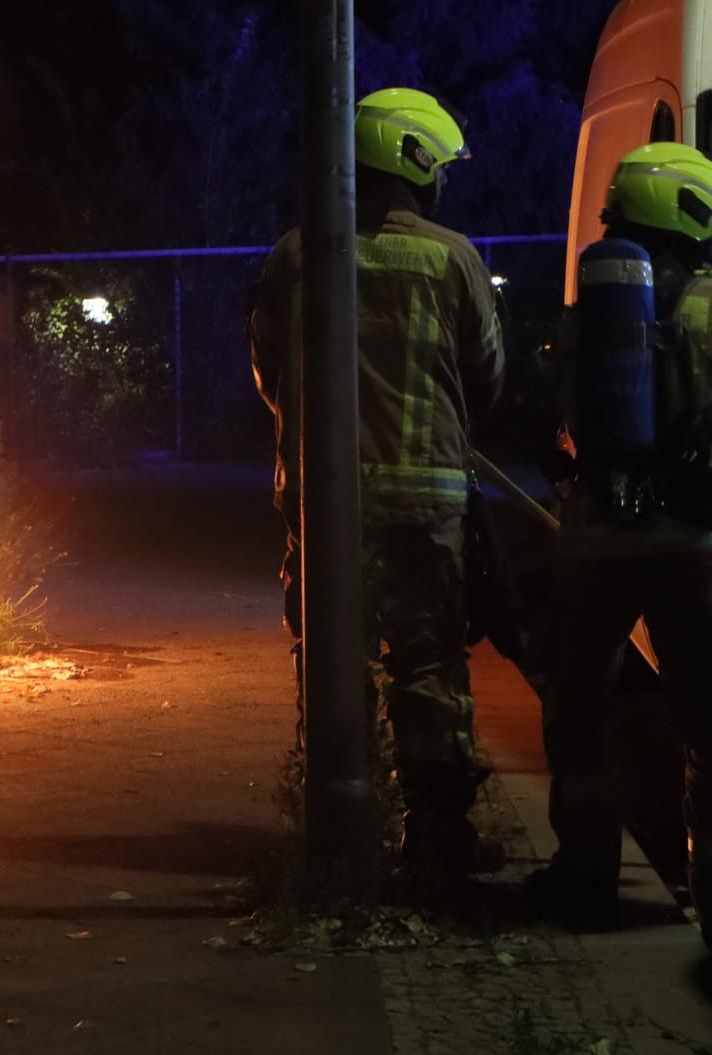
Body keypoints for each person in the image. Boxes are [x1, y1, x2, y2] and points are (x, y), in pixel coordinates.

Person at [248, 87, 505, 892]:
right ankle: (437, 840)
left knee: (331, 661)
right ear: (416, 163)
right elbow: (487, 378)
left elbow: (268, 373)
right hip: (426, 503)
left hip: (325, 508)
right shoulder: (455, 258)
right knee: (428, 665)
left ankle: (337, 836)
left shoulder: (298, 254)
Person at [530, 142, 712, 942]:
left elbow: (561, 418)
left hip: (594, 538)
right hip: (689, 540)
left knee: (579, 710)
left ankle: (584, 873)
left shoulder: (583, 319)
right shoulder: (708, 308)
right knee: (704, 717)